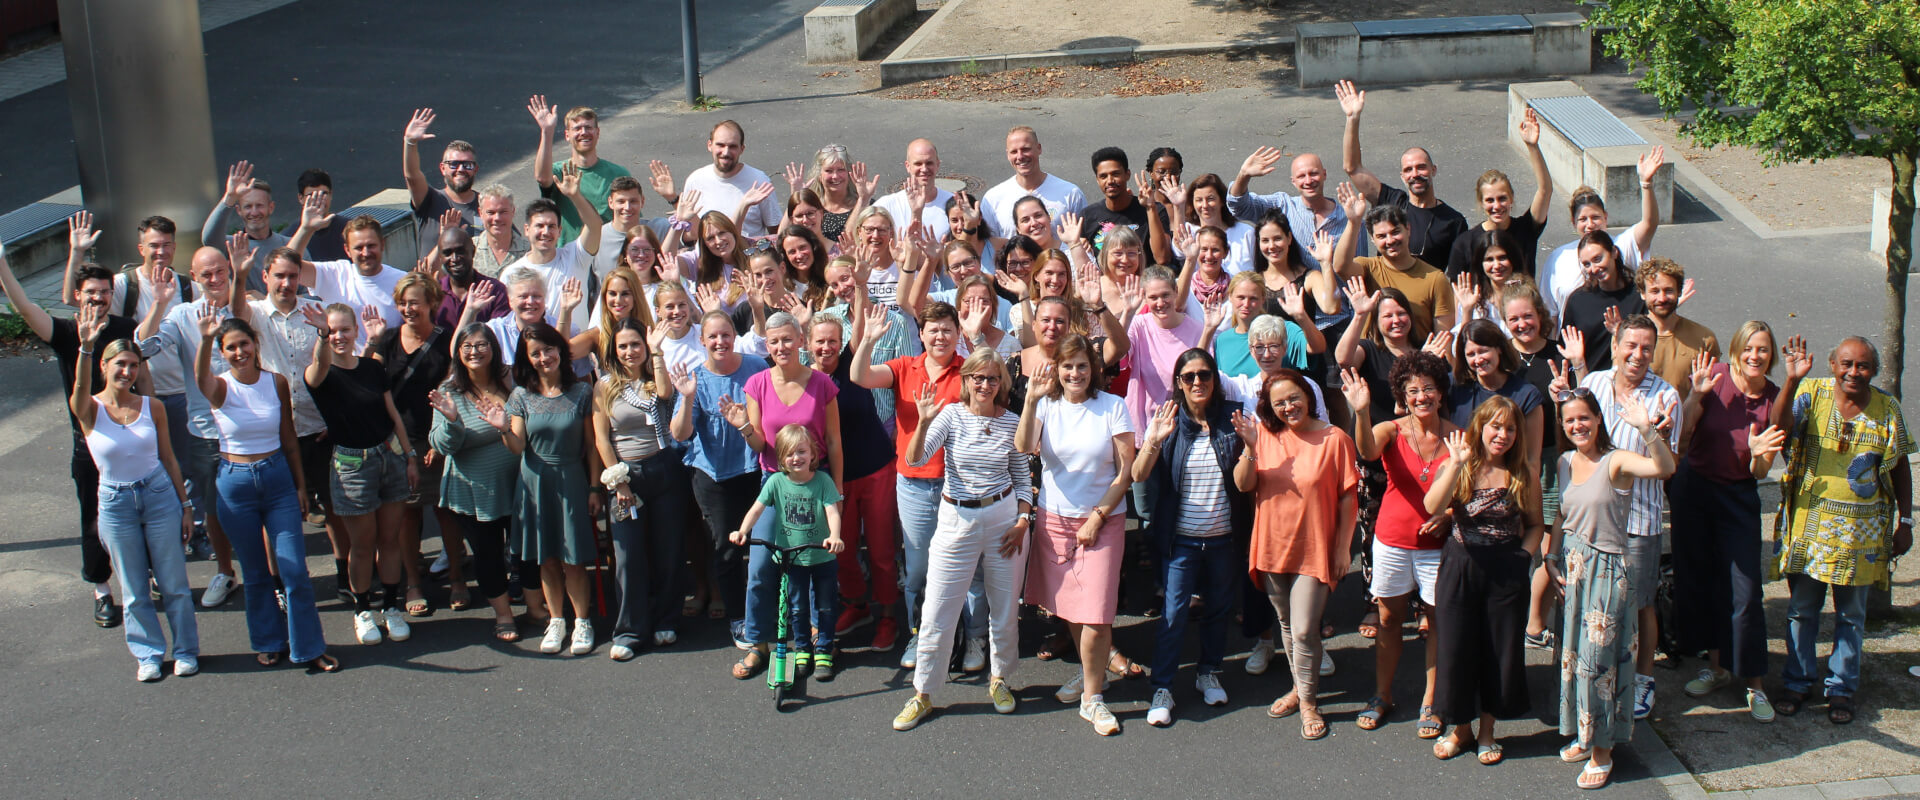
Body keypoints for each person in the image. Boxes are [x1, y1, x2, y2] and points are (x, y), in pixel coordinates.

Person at [1771, 336, 1913, 724]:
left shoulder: (1887, 409)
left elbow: (1900, 465)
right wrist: (1789, 381)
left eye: (1863, 366)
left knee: (1851, 615)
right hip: (1810, 528)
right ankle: (1798, 683)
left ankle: (1841, 688)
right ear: (1832, 364)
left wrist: (1906, 520)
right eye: (1846, 364)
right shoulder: (1811, 394)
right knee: (1802, 611)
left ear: (1874, 371)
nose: (1854, 372)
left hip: (1861, 537)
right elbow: (1778, 427)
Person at [0, 241, 141, 626]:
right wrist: (2, 266)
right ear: (77, 296)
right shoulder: (64, 333)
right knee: (94, 520)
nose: (98, 298)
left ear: (113, 295)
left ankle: (140, 584)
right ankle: (102, 590)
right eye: (91, 292)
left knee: (137, 515)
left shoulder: (126, 330)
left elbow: (145, 385)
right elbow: (26, 308)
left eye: (105, 292)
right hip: (89, 447)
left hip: (131, 443)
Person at [892, 349, 1034, 731]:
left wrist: (1023, 520)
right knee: (939, 608)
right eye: (978, 378)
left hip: (1004, 518)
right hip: (956, 517)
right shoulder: (950, 415)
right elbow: (916, 459)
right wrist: (922, 423)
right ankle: (922, 693)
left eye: (992, 379)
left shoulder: (1012, 422)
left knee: (1003, 607)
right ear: (967, 380)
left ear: (1001, 383)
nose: (985, 385)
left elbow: (1023, 480)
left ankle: (1000, 679)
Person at [1551, 314, 1682, 721]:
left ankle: (1642, 681)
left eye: (1646, 347)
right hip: (1592, 522)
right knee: (1587, 603)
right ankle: (1583, 677)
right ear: (1616, 345)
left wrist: (1651, 431)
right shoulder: (1593, 384)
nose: (1638, 355)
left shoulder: (1666, 396)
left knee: (1639, 606)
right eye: (1631, 345)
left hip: (1638, 521)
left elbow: (1669, 464)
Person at [194, 309, 339, 673]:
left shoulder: (275, 383)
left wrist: (301, 486)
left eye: (244, 344)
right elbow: (199, 379)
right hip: (235, 483)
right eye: (231, 347)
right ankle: (268, 641)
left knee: (293, 569)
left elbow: (288, 436)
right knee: (256, 573)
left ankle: (309, 647)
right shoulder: (220, 386)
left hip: (277, 481)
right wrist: (206, 338)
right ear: (222, 353)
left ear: (255, 345)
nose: (239, 352)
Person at [1551, 387, 1675, 789]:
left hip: (1606, 572)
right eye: (1570, 420)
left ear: (1598, 418)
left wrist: (1646, 429)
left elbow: (1664, 469)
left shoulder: (1616, 460)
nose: (1577, 426)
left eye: (1583, 417)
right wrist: (1551, 557)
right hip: (1573, 568)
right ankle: (1584, 735)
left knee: (1598, 667)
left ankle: (1603, 752)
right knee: (1572, 659)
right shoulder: (1565, 462)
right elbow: (1561, 516)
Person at [1013, 334, 1135, 736]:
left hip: (1101, 521)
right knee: (1069, 607)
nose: (1075, 373)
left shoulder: (1113, 408)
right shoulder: (1046, 406)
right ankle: (1090, 674)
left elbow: (1124, 472)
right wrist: (1030, 400)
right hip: (1054, 519)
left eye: (1082, 365)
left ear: (1093, 369)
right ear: (1058, 371)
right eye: (1067, 366)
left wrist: (1098, 516)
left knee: (1097, 613)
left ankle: (1093, 700)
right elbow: (1024, 445)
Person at [70, 308, 199, 681]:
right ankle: (148, 654)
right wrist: (86, 347)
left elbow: (169, 458)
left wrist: (186, 506)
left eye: (132, 365)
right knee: (133, 587)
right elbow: (78, 390)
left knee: (174, 584)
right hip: (115, 502)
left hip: (159, 496)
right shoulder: (89, 409)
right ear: (105, 367)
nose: (126, 372)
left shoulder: (151, 406)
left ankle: (186, 650)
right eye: (119, 365)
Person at [1237, 369, 1358, 741]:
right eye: (1279, 403)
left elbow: (1348, 497)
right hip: (1273, 543)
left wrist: (1342, 549)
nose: (1288, 407)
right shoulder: (1264, 436)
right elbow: (1244, 484)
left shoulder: (1335, 438)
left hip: (1316, 546)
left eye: (1294, 398)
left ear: (1307, 396)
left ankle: (1308, 703)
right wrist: (1250, 447)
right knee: (1286, 624)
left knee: (1305, 628)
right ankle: (1298, 687)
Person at [1673, 324, 1787, 721]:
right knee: (1702, 581)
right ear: (1737, 349)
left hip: (1738, 496)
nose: (1755, 356)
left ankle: (1754, 683)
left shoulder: (1772, 399)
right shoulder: (1716, 375)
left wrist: (1756, 453)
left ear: (1770, 356)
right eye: (1749, 348)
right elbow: (1682, 432)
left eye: (1763, 350)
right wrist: (1695, 394)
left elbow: (1759, 471)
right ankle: (1718, 667)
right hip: (1695, 489)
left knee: (1745, 590)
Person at [1423, 397, 1543, 763]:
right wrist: (1456, 465)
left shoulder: (1523, 473)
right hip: (1460, 567)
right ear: (1480, 427)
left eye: (1509, 428)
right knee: (1457, 649)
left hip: (1505, 571)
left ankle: (1488, 732)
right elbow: (1431, 505)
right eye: (1495, 426)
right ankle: (1460, 729)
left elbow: (1536, 524)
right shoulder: (1459, 463)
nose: (1502, 435)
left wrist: (1522, 556)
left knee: (1499, 652)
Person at [1343, 351, 1455, 738]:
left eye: (1428, 389)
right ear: (1402, 397)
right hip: (1391, 542)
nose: (1421, 396)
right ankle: (1382, 694)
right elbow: (1368, 451)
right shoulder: (1390, 429)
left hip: (1437, 548)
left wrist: (1453, 515)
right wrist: (1360, 412)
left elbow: (1472, 489)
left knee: (1436, 623)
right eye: (1413, 391)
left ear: (1441, 393)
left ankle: (1431, 701)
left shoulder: (1458, 435)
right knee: (1389, 621)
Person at [1133, 349, 1247, 727]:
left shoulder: (1233, 419)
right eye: (1188, 377)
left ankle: (1208, 672)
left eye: (1204, 375)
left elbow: (1247, 480)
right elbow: (1138, 474)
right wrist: (1155, 439)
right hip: (1180, 540)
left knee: (1218, 609)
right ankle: (1162, 687)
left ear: (1215, 379)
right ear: (1179, 383)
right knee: (1172, 614)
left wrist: (1252, 444)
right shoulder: (1167, 420)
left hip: (1223, 538)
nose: (1197, 382)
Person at [851, 301, 964, 667]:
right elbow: (860, 377)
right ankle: (919, 636)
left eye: (947, 329)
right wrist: (867, 340)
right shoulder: (904, 367)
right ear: (921, 334)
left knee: (959, 567)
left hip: (958, 484)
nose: (940, 336)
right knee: (917, 569)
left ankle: (962, 637)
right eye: (933, 329)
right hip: (914, 483)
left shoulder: (968, 369)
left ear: (957, 333)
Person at [302, 303, 418, 645]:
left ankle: (391, 608)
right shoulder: (319, 374)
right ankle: (363, 610)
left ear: (355, 331)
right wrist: (322, 335)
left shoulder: (371, 368)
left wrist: (409, 456)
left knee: (390, 539)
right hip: (351, 466)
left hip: (388, 457)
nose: (339, 336)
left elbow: (392, 413)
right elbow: (320, 364)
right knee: (363, 545)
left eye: (344, 330)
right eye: (332, 331)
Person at [135, 247, 245, 610]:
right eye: (206, 275)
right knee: (213, 508)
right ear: (194, 278)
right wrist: (158, 303)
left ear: (229, 270)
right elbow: (143, 347)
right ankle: (226, 571)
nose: (214, 280)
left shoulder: (247, 306)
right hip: (206, 433)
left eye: (220, 272)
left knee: (259, 508)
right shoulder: (182, 315)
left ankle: (269, 577)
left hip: (251, 428)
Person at [591, 319, 692, 660]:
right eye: (623, 346)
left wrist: (657, 351)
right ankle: (630, 630)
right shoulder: (604, 386)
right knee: (628, 555)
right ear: (614, 351)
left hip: (664, 468)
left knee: (668, 549)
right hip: (626, 476)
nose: (630, 351)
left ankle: (667, 619)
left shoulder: (654, 379)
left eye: (635, 344)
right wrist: (617, 480)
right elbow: (602, 437)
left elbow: (665, 394)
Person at [669, 312, 769, 649]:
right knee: (727, 550)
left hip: (755, 469)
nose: (719, 342)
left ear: (734, 336)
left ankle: (764, 611)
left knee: (764, 546)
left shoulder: (756, 366)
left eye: (725, 335)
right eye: (712, 337)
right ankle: (738, 618)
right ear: (702, 341)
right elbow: (680, 434)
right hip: (713, 475)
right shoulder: (695, 378)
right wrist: (685, 398)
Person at [804, 315, 902, 652]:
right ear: (808, 345)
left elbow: (860, 328)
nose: (826, 347)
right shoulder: (805, 379)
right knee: (840, 548)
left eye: (833, 340)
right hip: (834, 478)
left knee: (881, 551)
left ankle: (888, 615)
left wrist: (860, 286)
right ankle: (857, 604)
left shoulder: (851, 363)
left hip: (875, 470)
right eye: (819, 341)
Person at [501, 322, 600, 656]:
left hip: (571, 478)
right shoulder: (520, 396)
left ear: (560, 350)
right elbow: (517, 446)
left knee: (573, 559)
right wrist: (503, 428)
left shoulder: (582, 391)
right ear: (527, 360)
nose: (544, 358)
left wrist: (595, 488)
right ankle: (556, 619)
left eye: (548, 349)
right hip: (534, 483)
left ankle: (582, 621)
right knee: (546, 558)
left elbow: (592, 446)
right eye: (536, 353)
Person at [1500, 283, 1584, 649]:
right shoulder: (1502, 359)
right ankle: (1524, 622)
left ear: (1541, 316)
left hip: (1554, 459)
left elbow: (1584, 407)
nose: (1522, 324)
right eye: (1514, 319)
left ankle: (1534, 625)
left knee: (1553, 545)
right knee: (1520, 546)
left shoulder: (1558, 355)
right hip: (1512, 461)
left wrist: (1565, 391)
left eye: (1528, 316)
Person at [426, 323, 521, 643]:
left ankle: (533, 601)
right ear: (458, 354)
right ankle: (504, 614)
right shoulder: (450, 391)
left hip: (519, 484)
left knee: (524, 553)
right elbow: (442, 445)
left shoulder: (511, 381)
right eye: (467, 346)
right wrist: (452, 421)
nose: (474, 352)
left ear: (494, 349)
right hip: (474, 491)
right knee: (489, 554)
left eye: (481, 345)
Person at [729, 425, 847, 679]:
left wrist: (834, 536)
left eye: (802, 452)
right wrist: (742, 531)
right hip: (792, 558)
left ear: (813, 454)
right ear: (781, 458)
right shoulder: (776, 482)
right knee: (796, 607)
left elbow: (832, 512)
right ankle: (802, 648)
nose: (797, 458)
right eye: (790, 454)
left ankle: (824, 649)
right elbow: (757, 509)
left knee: (826, 605)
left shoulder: (822, 482)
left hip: (822, 556)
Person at [367, 273, 454, 616]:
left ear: (433, 303)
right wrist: (371, 343)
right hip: (396, 442)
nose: (407, 308)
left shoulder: (446, 341)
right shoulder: (386, 340)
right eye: (402, 302)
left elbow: (452, 394)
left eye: (414, 302)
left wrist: (440, 439)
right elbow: (369, 385)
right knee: (406, 514)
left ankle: (458, 577)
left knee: (447, 511)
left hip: (435, 438)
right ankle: (413, 582)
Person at [1335, 80, 1468, 266]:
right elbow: (1353, 167)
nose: (1415, 174)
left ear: (1433, 170)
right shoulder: (1392, 201)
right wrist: (1352, 118)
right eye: (1408, 170)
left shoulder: (1453, 221)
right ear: (1402, 176)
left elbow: (1457, 274)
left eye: (1421, 167)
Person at [1541, 148, 1665, 320]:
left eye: (1596, 217)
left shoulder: (1621, 245)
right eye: (1583, 219)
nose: (1590, 225)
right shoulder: (1557, 258)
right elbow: (1549, 313)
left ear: (1606, 217)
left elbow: (1649, 224)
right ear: (1574, 222)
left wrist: (1646, 184)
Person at [286, 198, 407, 352]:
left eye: (371, 245)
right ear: (347, 250)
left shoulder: (402, 281)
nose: (366, 253)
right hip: (343, 370)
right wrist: (306, 229)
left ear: (382, 244)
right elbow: (288, 266)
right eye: (359, 247)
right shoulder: (336, 273)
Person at [1333, 183, 1455, 334]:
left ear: (1408, 229)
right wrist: (1354, 222)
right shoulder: (1368, 268)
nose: (1390, 240)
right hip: (1372, 355)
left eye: (1395, 232)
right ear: (1372, 239)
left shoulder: (1435, 279)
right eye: (1381, 236)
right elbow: (1340, 266)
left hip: (1416, 356)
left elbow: (1443, 337)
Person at [1446, 108, 1553, 280]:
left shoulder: (1526, 229)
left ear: (1511, 199)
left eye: (1502, 198)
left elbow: (1545, 190)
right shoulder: (1465, 243)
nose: (1497, 206)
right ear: (1481, 203)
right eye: (1490, 200)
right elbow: (1456, 291)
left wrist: (1532, 147)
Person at [507, 164, 604, 337]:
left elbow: (595, 226)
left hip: (575, 353)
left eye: (552, 226)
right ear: (527, 230)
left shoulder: (576, 256)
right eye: (540, 226)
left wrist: (575, 196)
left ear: (560, 231)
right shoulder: (512, 273)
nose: (546, 232)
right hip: (532, 352)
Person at [1227, 147, 1354, 269]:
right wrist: (1243, 175)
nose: (1308, 181)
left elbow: (1359, 266)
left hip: (1337, 291)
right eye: (1301, 176)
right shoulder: (1282, 205)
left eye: (1313, 173)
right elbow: (1239, 207)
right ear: (1293, 181)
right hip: (1291, 290)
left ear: (1324, 174)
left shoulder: (1349, 218)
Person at [1448, 319, 1546, 472]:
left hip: (1508, 483)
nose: (1478, 359)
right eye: (1471, 354)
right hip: (1463, 480)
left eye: (1483, 351)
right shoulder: (1453, 387)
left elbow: (1532, 459)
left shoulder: (1526, 394)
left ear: (1499, 348)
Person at [528, 97, 630, 242]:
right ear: (567, 135)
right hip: (569, 256)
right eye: (577, 128)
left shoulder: (618, 174)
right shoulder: (560, 171)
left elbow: (632, 217)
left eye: (588, 127)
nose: (583, 132)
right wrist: (547, 132)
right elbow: (542, 178)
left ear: (597, 132)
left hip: (606, 254)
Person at [1558, 230, 1647, 371]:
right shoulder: (1578, 301)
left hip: (1632, 381)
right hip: (1589, 384)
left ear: (1613, 253)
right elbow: (1565, 350)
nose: (1593, 268)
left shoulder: (1639, 295)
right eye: (1586, 264)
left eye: (1598, 259)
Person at [201, 161, 295, 294]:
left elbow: (311, 293)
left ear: (271, 207)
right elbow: (209, 239)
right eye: (248, 207)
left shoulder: (290, 245)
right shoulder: (234, 245)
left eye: (260, 205)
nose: (254, 212)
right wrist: (230, 198)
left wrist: (266, 303)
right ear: (239, 211)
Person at [981, 126, 1085, 240]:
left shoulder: (1070, 194)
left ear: (1039, 148)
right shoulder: (993, 199)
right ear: (1008, 155)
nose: (1020, 156)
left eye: (1026, 149)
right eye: (1014, 152)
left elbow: (1083, 241)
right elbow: (988, 247)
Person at [402, 109, 480, 260]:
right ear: (442, 168)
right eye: (454, 164)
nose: (461, 169)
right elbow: (412, 176)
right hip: (434, 282)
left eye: (467, 165)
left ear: (475, 169)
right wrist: (410, 142)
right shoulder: (430, 199)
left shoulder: (487, 207)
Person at [684, 120, 782, 238]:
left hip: (747, 254)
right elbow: (690, 234)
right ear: (709, 145)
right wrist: (672, 198)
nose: (726, 152)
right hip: (707, 255)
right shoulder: (695, 180)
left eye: (732, 146)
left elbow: (777, 232)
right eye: (720, 145)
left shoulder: (759, 181)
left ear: (742, 148)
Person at [1639, 258, 1719, 396]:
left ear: (1679, 292)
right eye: (1655, 291)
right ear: (1642, 293)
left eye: (1668, 290)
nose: (1662, 298)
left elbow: (1712, 394)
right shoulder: (1627, 337)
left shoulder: (1704, 338)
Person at [1077, 147, 1169, 265]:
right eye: (1103, 176)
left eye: (1115, 174)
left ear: (1127, 174)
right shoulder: (1087, 217)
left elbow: (1162, 258)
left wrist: (1150, 208)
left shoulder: (1155, 210)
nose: (1110, 181)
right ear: (1097, 180)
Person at [1162, 174, 1257, 276]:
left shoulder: (1246, 232)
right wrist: (1178, 206)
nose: (1205, 205)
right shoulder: (1190, 230)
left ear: (1222, 200)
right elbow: (1179, 244)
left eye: (1210, 199)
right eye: (1199, 200)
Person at [425, 225, 507, 330]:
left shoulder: (495, 291)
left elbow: (501, 336)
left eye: (460, 251)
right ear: (440, 257)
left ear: (472, 251)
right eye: (447, 253)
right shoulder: (434, 293)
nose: (454, 258)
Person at [874, 138, 954, 239]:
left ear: (937, 164)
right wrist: (863, 200)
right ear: (908, 166)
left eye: (929, 163)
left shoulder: (953, 204)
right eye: (918, 164)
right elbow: (858, 234)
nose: (924, 169)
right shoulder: (888, 205)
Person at [798, 143, 875, 242]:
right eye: (829, 171)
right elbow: (784, 236)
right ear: (819, 175)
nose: (835, 176)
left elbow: (849, 241)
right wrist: (795, 199)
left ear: (849, 172)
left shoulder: (866, 204)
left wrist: (863, 200)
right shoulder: (810, 206)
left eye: (841, 170)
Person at [473, 184, 531, 278]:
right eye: (491, 212)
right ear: (481, 213)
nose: (497, 218)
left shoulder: (529, 252)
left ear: (513, 212)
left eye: (503, 212)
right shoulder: (470, 249)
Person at [295, 169, 352, 262]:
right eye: (311, 195)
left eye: (324, 194)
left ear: (331, 194)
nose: (318, 200)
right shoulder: (290, 236)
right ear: (300, 198)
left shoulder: (350, 228)